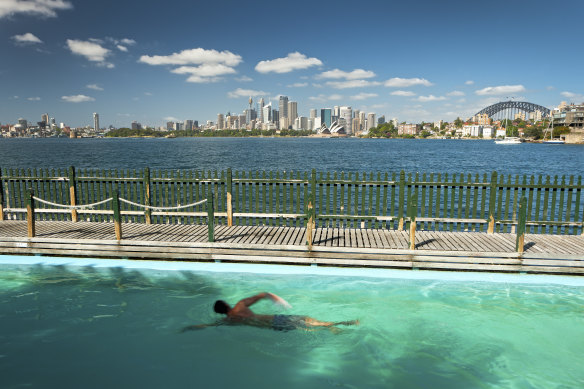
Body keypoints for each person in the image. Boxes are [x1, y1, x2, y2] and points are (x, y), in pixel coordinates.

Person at [181, 292, 359, 332]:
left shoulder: (229, 321)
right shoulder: (241, 305)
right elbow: (264, 294)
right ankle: (339, 325)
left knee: (305, 327)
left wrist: (190, 327)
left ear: (221, 312)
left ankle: (331, 327)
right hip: (277, 318)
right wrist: (277, 299)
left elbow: (208, 325)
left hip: (273, 328)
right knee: (307, 319)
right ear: (226, 304)